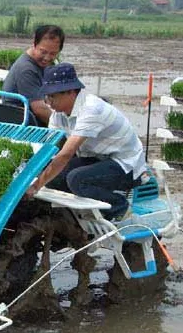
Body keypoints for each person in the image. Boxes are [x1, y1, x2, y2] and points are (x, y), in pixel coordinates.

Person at [26, 62, 147, 221]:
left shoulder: (91, 109)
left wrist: (35, 186)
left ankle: (120, 208)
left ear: (71, 92)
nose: (48, 102)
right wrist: (30, 174)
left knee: (77, 179)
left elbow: (65, 154)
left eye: (52, 96)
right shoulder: (58, 114)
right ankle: (78, 215)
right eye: (46, 96)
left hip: (127, 165)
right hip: (99, 158)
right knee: (54, 177)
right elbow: (49, 147)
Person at [2, 25, 65, 127]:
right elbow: (40, 110)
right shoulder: (27, 69)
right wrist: (65, 127)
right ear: (34, 45)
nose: (47, 58)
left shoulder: (42, 64)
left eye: (53, 54)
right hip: (22, 123)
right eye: (43, 52)